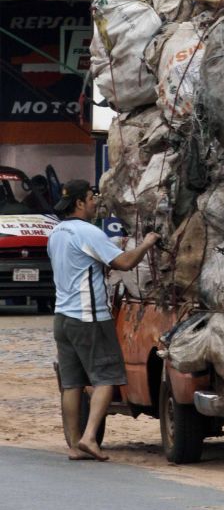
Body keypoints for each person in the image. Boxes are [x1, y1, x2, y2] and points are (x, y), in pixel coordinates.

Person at [48, 179, 160, 461]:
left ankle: (74, 445)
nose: (95, 202)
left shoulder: (56, 232)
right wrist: (146, 243)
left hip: (62, 316)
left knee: (72, 383)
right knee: (106, 377)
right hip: (89, 317)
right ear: (79, 203)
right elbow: (123, 263)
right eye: (91, 197)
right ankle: (89, 437)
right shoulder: (88, 232)